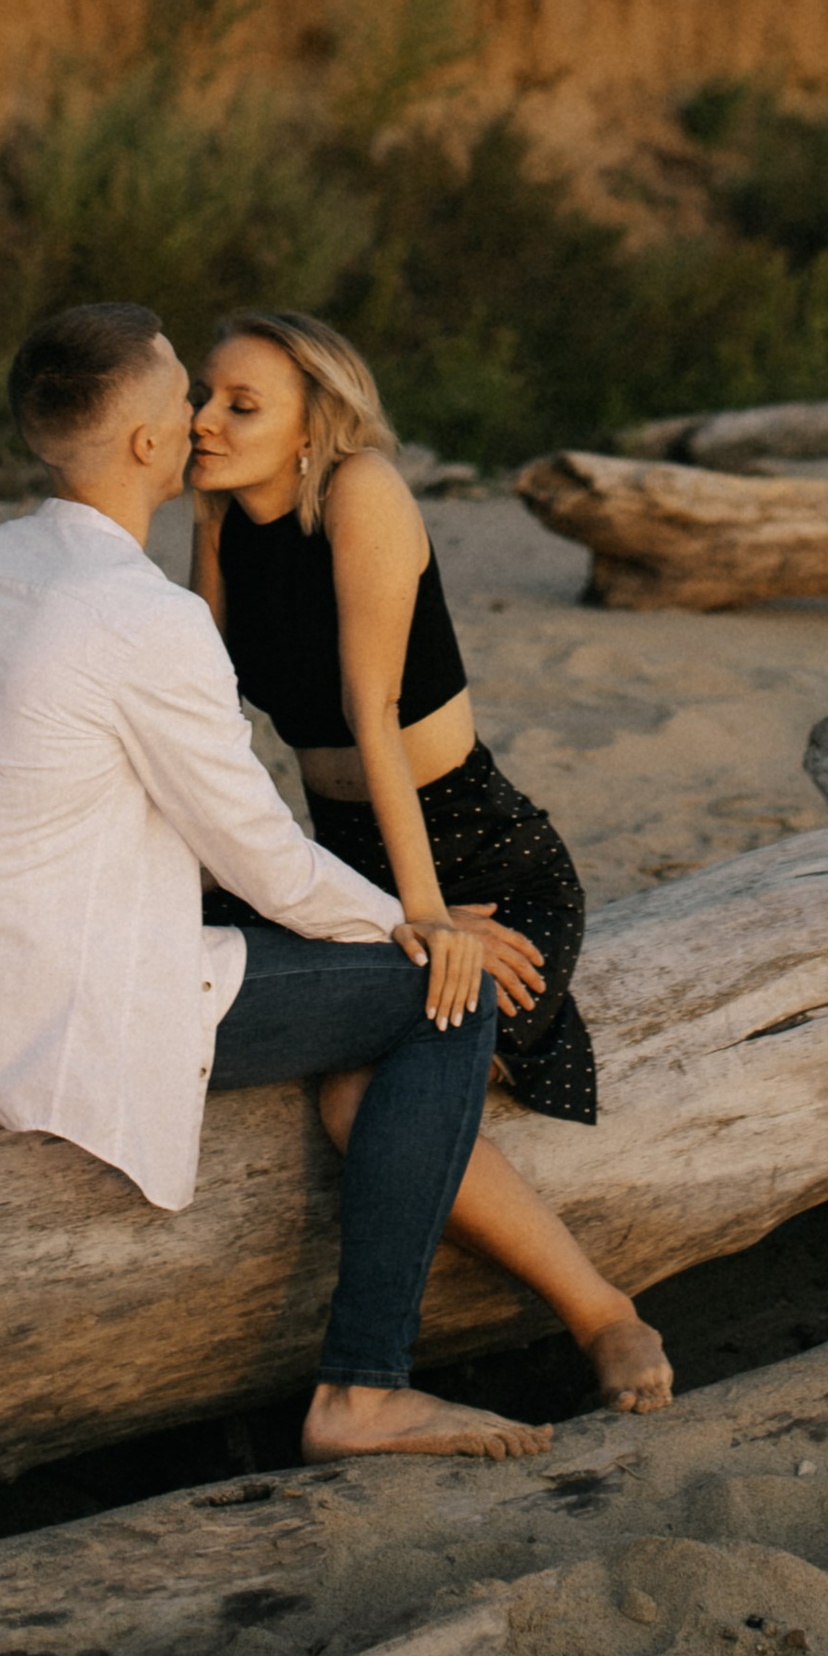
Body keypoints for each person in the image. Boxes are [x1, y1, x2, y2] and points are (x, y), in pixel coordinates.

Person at [0, 299, 549, 1462]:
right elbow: (262, 856)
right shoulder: (136, 614)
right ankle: (364, 1386)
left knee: (356, 955)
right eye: (186, 399)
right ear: (146, 442)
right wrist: (421, 926)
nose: (202, 418)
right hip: (45, 1010)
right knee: (441, 995)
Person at [189, 306, 669, 1416]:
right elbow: (205, 712)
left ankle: (602, 1311)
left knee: (357, 1097)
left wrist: (428, 914)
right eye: (203, 395)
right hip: (344, 866)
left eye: (242, 405)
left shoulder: (361, 490)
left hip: (473, 858)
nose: (205, 420)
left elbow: (373, 709)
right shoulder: (217, 516)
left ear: (313, 426)